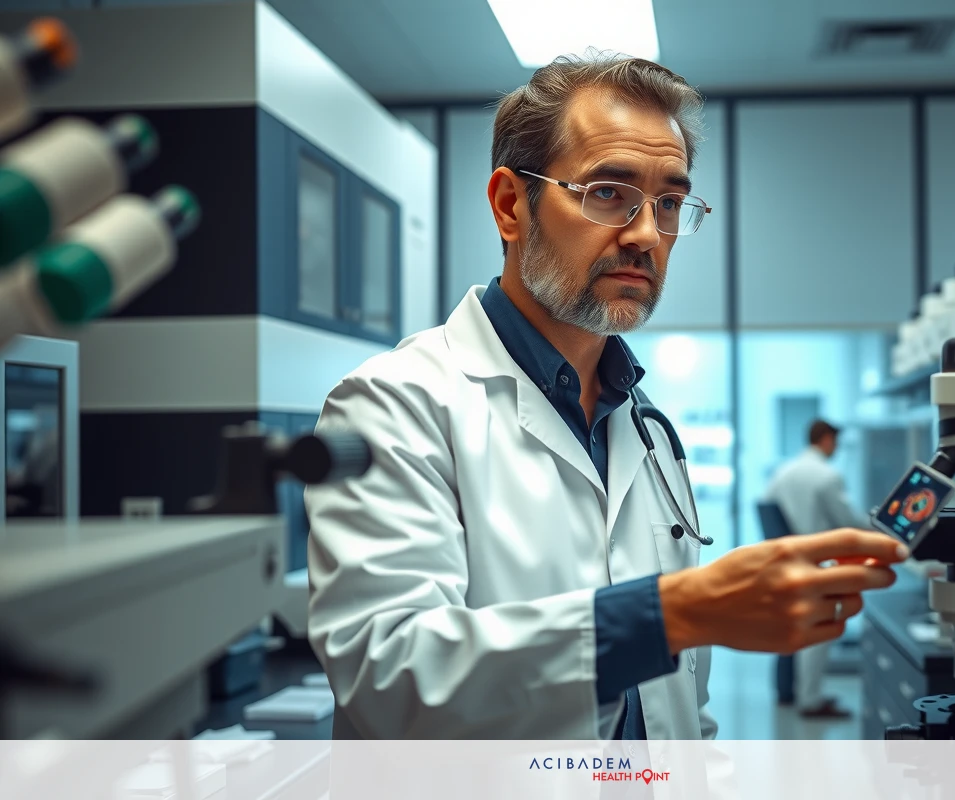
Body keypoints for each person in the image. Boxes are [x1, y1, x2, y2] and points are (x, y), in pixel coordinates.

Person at [304, 52, 907, 741]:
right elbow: (393, 678)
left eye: (671, 203)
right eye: (607, 193)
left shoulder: (647, 430)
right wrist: (675, 612)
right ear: (510, 205)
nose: (647, 234)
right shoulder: (393, 407)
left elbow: (682, 705)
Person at [762, 419, 873, 719]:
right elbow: (850, 522)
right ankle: (810, 701)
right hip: (818, 564)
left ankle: (790, 692)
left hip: (785, 562)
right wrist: (879, 528)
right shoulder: (826, 476)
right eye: (834, 441)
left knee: (793, 627)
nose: (836, 448)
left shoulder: (782, 473)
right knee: (818, 632)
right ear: (825, 439)